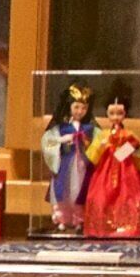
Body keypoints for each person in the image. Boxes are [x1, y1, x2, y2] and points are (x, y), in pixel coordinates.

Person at [77, 97, 140, 238]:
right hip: (104, 174)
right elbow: (92, 158)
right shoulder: (102, 135)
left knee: (129, 197)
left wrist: (134, 148)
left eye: (119, 113)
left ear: (125, 115)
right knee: (101, 197)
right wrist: (102, 145)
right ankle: (102, 228)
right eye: (112, 113)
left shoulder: (129, 135)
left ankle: (128, 227)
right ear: (107, 115)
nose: (116, 117)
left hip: (128, 174)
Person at [40, 83, 94, 217]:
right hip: (65, 161)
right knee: (63, 190)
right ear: (69, 107)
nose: (80, 111)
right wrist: (62, 139)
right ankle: (61, 217)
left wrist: (87, 143)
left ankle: (78, 217)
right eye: (76, 107)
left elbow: (97, 144)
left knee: (79, 189)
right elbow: (48, 141)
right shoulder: (61, 127)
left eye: (84, 108)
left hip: (81, 163)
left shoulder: (89, 127)